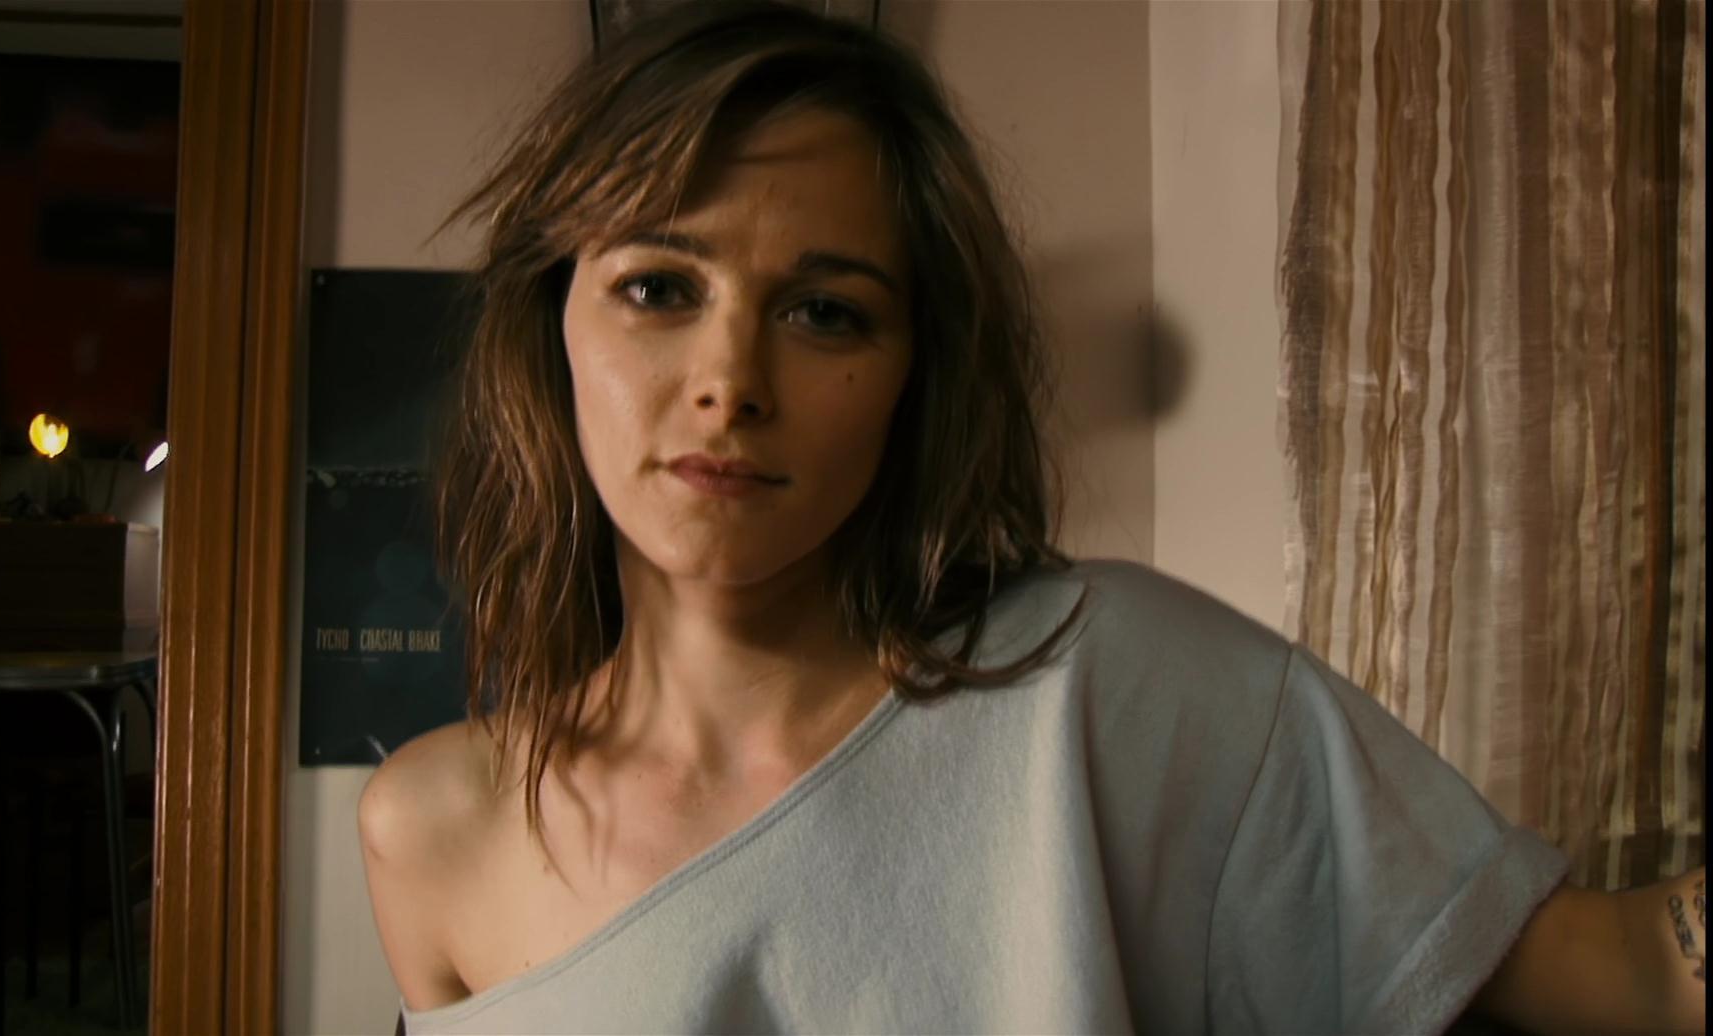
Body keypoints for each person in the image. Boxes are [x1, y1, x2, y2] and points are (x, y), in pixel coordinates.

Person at [358, 3, 1708, 1033]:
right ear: (553, 321)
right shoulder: (429, 829)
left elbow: (1629, 973)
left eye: (825, 311)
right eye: (660, 288)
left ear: (915, 371)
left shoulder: (1111, 685)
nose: (730, 381)